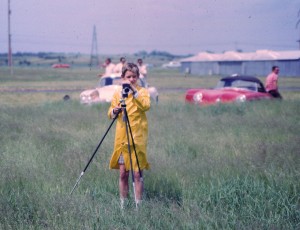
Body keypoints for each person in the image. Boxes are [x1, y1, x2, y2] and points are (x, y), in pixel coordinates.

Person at [107, 62, 151, 209]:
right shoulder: (118, 93)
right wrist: (115, 110)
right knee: (123, 174)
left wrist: (133, 90)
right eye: (128, 77)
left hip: (137, 138)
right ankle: (123, 206)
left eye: (134, 76)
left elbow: (146, 105)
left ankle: (139, 207)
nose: (132, 79)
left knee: (137, 174)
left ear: (138, 77)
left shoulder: (142, 91)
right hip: (122, 139)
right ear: (122, 78)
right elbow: (110, 113)